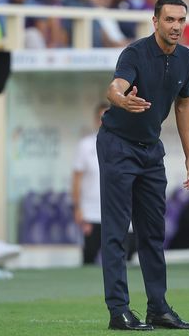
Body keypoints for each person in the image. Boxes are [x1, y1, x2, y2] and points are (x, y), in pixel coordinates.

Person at [97, 0, 189, 331]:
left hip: (151, 151)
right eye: (169, 20)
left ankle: (158, 308)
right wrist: (120, 100)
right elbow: (115, 87)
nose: (176, 27)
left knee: (153, 233)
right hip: (118, 146)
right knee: (116, 232)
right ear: (155, 21)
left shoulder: (186, 58)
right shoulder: (134, 53)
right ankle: (118, 311)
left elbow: (183, 105)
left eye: (181, 20)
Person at [72, 102, 108, 265]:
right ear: (95, 120)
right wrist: (78, 208)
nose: (104, 122)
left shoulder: (124, 144)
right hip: (91, 212)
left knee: (118, 258)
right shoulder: (86, 145)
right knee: (89, 258)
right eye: (101, 118)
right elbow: (77, 178)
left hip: (116, 212)